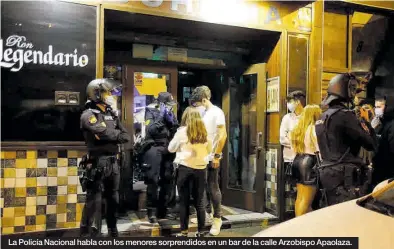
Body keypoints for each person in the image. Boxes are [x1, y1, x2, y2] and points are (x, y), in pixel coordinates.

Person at [315, 73, 377, 207]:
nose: (355, 95)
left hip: (327, 175)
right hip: (345, 178)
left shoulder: (322, 117)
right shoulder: (345, 115)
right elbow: (370, 144)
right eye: (354, 90)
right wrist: (367, 122)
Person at [79, 78, 131, 237]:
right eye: (107, 92)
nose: (110, 95)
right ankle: (86, 234)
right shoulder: (88, 115)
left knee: (113, 199)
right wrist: (113, 135)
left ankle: (112, 231)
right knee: (93, 200)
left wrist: (111, 134)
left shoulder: (111, 114)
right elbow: (105, 133)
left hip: (113, 162)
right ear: (96, 94)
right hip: (97, 162)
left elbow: (126, 136)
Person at [168, 107, 212, 237]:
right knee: (200, 201)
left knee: (184, 201)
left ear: (186, 118)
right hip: (201, 169)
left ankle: (184, 232)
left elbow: (171, 148)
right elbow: (209, 150)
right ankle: (202, 231)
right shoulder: (205, 132)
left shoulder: (182, 132)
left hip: (184, 169)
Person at [189, 85, 227, 236]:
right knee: (201, 187)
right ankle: (204, 215)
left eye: (197, 103)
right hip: (200, 156)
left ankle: (217, 219)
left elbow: (222, 136)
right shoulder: (203, 112)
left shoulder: (217, 112)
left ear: (204, 100)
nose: (195, 106)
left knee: (213, 187)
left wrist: (217, 155)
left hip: (211, 156)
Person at [142, 92, 179, 223]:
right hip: (154, 147)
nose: (171, 107)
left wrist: (172, 121)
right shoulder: (150, 111)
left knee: (168, 179)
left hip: (168, 148)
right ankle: (151, 211)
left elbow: (175, 129)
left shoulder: (170, 113)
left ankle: (164, 210)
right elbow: (150, 129)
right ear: (161, 104)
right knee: (153, 179)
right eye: (168, 104)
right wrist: (161, 117)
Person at [289, 105, 322, 216]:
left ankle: (299, 224)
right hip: (309, 162)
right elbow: (318, 149)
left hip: (297, 161)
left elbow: (293, 149)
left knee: (300, 198)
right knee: (307, 202)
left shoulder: (297, 129)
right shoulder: (314, 129)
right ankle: (300, 227)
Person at [280, 90, 306, 215]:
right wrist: (295, 144)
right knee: (293, 188)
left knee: (303, 189)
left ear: (298, 102)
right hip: (290, 158)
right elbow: (281, 138)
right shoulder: (287, 118)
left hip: (305, 159)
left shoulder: (307, 117)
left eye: (290, 101)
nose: (288, 104)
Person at [372, 96, 394, 188]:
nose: (377, 110)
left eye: (379, 107)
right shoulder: (379, 123)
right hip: (379, 168)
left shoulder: (392, 125)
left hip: (388, 170)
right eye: (375, 107)